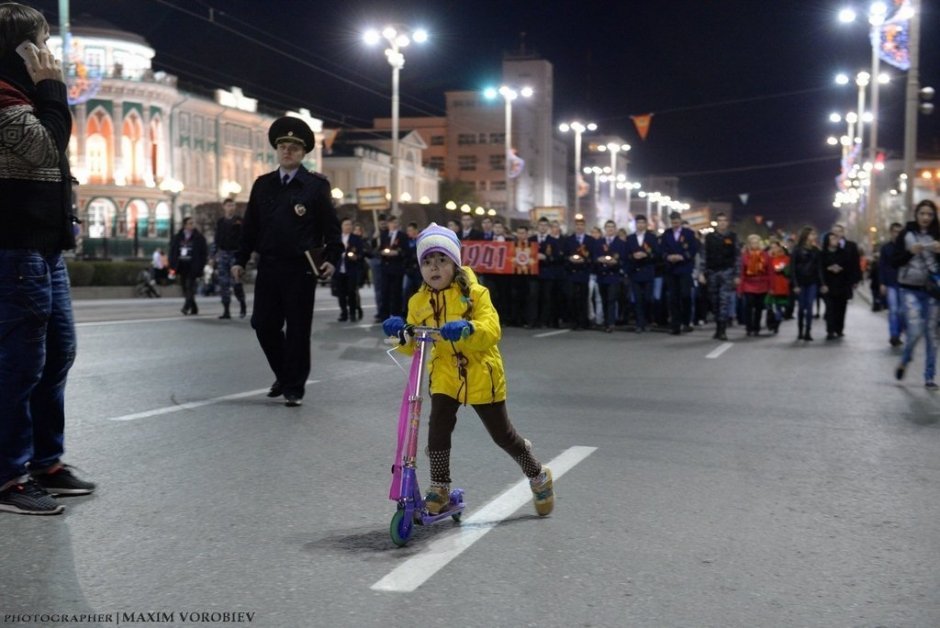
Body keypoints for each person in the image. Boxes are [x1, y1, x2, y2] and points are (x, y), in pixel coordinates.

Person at [382, 223, 554, 516]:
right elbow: (413, 346)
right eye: (427, 262)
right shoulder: (418, 301)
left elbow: (491, 330)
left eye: (441, 260)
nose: (434, 268)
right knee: (437, 429)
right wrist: (401, 332)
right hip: (445, 374)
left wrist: (468, 327)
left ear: (455, 263)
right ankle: (439, 486)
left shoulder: (476, 294)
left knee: (503, 435)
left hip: (480, 373)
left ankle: (538, 475)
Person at [0, 2, 95, 515]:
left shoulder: (25, 98)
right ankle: (8, 476)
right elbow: (45, 147)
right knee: (19, 367)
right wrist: (53, 89)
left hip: (43, 249)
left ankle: (45, 462)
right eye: (41, 43)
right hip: (14, 250)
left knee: (57, 355)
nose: (48, 55)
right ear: (18, 48)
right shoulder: (4, 101)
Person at [231, 116, 342, 407]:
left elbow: (331, 228)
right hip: (269, 265)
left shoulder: (315, 186)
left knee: (297, 330)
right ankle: (285, 373)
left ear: (303, 152)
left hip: (300, 267)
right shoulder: (263, 185)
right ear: (276, 150)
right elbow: (250, 228)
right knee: (263, 324)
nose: (287, 151)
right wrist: (240, 259)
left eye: (293, 146)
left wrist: (332, 257)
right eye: (282, 145)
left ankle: (294, 388)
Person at [891, 200, 940, 390]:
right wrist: (910, 252)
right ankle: (905, 358)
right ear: (916, 214)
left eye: (930, 214)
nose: (926, 217)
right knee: (915, 330)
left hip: (933, 291)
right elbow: (894, 261)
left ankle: (929, 376)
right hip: (909, 288)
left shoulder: (938, 234)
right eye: (922, 213)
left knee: (931, 333)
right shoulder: (906, 233)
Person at [699, 212, 739, 340]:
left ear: (727, 223)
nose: (722, 223)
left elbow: (737, 257)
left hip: (726, 271)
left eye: (724, 220)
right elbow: (704, 256)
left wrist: (737, 274)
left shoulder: (732, 237)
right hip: (712, 272)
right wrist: (701, 273)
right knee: (714, 300)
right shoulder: (710, 237)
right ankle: (717, 327)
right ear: (716, 222)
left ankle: (722, 330)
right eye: (720, 220)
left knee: (724, 301)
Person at [660, 211, 700, 334]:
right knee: (673, 298)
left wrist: (683, 256)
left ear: (680, 221)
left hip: (684, 268)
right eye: (673, 222)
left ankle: (686, 322)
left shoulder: (688, 233)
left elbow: (693, 249)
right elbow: (662, 249)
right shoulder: (666, 234)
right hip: (671, 270)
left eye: (677, 222)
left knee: (685, 296)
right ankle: (675, 325)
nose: (675, 224)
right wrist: (667, 257)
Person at [214, 198, 248, 319]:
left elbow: (245, 237)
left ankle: (242, 304)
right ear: (224, 207)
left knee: (236, 282)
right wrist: (214, 254)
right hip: (223, 253)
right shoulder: (221, 222)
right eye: (228, 205)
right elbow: (217, 238)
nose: (231, 207)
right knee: (224, 283)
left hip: (235, 254)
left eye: (233, 205)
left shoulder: (239, 221)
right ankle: (226, 310)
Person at [625, 215, 659, 333]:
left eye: (642, 223)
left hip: (648, 271)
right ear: (635, 224)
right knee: (637, 299)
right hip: (635, 272)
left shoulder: (651, 237)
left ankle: (648, 321)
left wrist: (647, 255)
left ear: (646, 224)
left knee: (648, 299)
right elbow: (626, 254)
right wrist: (633, 256)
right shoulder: (630, 238)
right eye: (638, 223)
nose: (640, 225)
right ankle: (639, 323)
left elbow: (657, 254)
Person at [789, 226, 824, 342]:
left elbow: (819, 268)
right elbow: (792, 268)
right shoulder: (797, 250)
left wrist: (822, 283)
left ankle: (808, 331)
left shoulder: (816, 251)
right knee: (801, 308)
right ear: (806, 236)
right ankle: (800, 331)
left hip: (812, 282)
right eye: (812, 234)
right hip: (800, 282)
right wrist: (795, 284)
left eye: (814, 234)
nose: (814, 237)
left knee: (809, 306)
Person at [592, 220, 626, 332]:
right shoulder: (599, 242)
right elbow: (594, 256)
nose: (610, 229)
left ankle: (611, 323)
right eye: (608, 227)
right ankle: (606, 321)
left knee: (611, 299)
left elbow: (623, 259)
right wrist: (598, 259)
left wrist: (616, 262)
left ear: (615, 229)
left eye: (612, 227)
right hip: (602, 274)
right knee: (604, 299)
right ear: (605, 229)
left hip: (614, 275)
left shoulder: (620, 243)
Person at [169, 216, 208, 315]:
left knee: (189, 285)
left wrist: (201, 265)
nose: (192, 225)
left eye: (193, 223)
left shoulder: (199, 237)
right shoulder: (178, 236)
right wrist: (172, 265)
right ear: (185, 225)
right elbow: (173, 251)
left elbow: (203, 253)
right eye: (190, 223)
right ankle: (194, 307)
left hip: (193, 265)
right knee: (184, 287)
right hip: (182, 265)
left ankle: (186, 307)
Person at [820, 231, 853, 340]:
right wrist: (828, 269)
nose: (835, 241)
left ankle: (839, 329)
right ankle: (830, 330)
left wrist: (841, 268)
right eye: (832, 239)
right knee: (830, 308)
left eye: (836, 239)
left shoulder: (843, 253)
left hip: (841, 284)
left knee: (841, 308)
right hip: (828, 285)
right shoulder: (823, 254)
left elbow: (849, 267)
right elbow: (819, 269)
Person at [562, 217, 594, 330]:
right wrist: (569, 259)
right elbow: (564, 255)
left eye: (581, 225)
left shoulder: (590, 240)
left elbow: (593, 256)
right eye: (577, 225)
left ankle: (583, 321)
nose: (579, 227)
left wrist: (585, 261)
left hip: (584, 272)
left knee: (583, 298)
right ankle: (574, 320)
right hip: (571, 272)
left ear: (584, 227)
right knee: (572, 297)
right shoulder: (569, 240)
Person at [738, 234, 772, 336]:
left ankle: (756, 327)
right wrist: (740, 288)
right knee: (748, 306)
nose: (755, 245)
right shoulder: (744, 256)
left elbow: (770, 272)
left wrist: (771, 287)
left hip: (762, 285)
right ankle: (749, 327)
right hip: (748, 284)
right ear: (749, 244)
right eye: (752, 243)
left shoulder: (765, 255)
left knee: (759, 308)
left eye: (756, 242)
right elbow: (741, 273)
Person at [879, 222, 904, 347]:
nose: (897, 234)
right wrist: (882, 283)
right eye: (895, 231)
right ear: (891, 232)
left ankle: (898, 333)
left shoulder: (905, 248)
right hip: (891, 283)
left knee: (902, 311)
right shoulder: (885, 248)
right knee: (893, 310)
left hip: (904, 283)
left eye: (900, 232)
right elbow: (882, 266)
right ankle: (894, 335)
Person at [333, 218, 363, 322]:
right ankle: (343, 313)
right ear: (341, 226)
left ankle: (352, 313)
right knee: (341, 293)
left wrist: (356, 257)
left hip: (351, 269)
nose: (348, 226)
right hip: (339, 269)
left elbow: (361, 254)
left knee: (351, 292)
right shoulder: (337, 238)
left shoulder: (356, 239)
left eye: (350, 224)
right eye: (346, 224)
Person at [378, 215, 405, 320]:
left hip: (397, 267)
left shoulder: (402, 236)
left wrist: (397, 252)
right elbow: (379, 249)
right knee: (384, 291)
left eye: (396, 222)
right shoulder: (384, 235)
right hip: (385, 267)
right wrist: (383, 252)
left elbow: (405, 250)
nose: (394, 225)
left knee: (396, 292)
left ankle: (396, 314)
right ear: (388, 224)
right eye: (392, 223)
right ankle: (384, 314)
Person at [765, 239, 791, 334]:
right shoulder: (767, 259)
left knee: (779, 306)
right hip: (769, 286)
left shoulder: (786, 259)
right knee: (768, 304)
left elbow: (788, 272)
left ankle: (776, 323)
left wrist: (782, 271)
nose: (773, 249)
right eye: (772, 247)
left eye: (775, 247)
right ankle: (771, 320)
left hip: (781, 285)